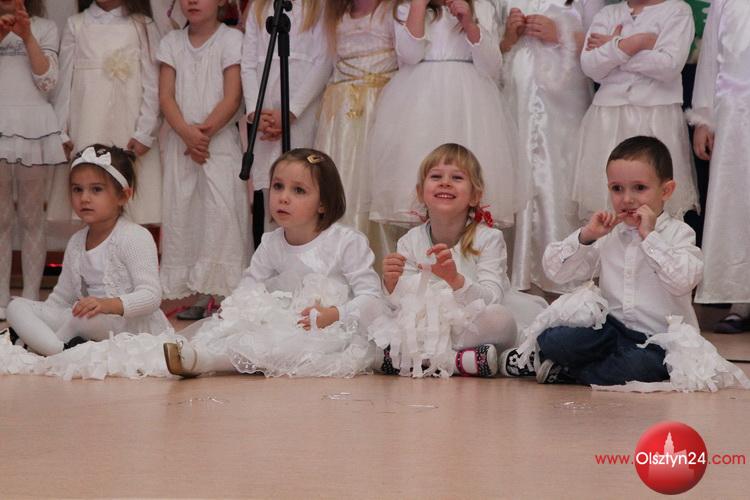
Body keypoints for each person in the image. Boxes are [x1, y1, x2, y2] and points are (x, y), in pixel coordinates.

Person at [163, 149, 384, 378]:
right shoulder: (271, 243)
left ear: (323, 204)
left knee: (283, 346)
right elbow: (249, 287)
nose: (283, 197)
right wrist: (238, 314)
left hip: (331, 329)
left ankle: (206, 361)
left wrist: (335, 314)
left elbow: (371, 297)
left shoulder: (346, 242)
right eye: (278, 186)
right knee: (231, 331)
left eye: (298, 190)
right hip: (284, 321)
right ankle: (198, 352)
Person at [533, 136, 703, 385]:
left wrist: (650, 237)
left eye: (639, 188)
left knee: (640, 366)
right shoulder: (609, 234)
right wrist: (587, 236)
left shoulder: (680, 233)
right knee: (553, 339)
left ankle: (571, 372)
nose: (627, 199)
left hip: (658, 340)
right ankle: (583, 366)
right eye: (617, 189)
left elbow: (683, 281)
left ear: (666, 191)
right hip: (611, 333)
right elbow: (556, 272)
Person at [373, 143, 546, 377]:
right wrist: (392, 284)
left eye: (457, 177)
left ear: (475, 195)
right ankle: (459, 361)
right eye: (436, 176)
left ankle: (417, 359)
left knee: (501, 320)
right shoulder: (410, 241)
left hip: (469, 323)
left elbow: (493, 296)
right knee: (369, 309)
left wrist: (456, 281)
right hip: (426, 326)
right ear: (420, 192)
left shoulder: (489, 239)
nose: (445, 182)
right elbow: (403, 304)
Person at [365, 0, 528, 248]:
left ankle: (467, 254)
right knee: (422, 170)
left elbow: (491, 65)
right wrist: (418, 6)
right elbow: (409, 54)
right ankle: (423, 253)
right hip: (420, 105)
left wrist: (469, 23)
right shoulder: (406, 8)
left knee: (466, 172)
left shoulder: (481, 7)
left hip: (469, 104)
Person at [6, 145, 170, 356]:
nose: (84, 198)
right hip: (85, 321)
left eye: (96, 189)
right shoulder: (76, 242)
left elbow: (151, 296)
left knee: (81, 319)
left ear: (123, 196)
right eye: (77, 189)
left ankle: (45, 348)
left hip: (125, 325)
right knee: (16, 306)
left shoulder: (134, 237)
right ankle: (57, 348)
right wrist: (42, 317)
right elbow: (61, 299)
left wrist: (108, 305)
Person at [499, 0, 605, 292]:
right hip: (517, 99)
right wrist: (509, 37)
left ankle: (566, 271)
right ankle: (518, 272)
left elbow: (601, 47)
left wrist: (560, 34)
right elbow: (494, 50)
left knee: (558, 176)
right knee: (517, 174)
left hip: (564, 102)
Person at [157, 0, 249, 317]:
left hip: (218, 143)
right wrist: (188, 134)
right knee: (186, 214)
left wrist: (203, 135)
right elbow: (166, 97)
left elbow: (233, 97)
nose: (192, 1)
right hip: (182, 144)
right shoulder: (171, 42)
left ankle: (225, 295)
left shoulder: (231, 39)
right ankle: (198, 293)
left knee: (222, 212)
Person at [572, 0, 698, 221]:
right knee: (607, 202)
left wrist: (613, 47)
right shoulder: (607, 14)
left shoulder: (678, 11)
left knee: (656, 200)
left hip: (657, 117)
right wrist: (635, 43)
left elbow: (668, 65)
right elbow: (591, 66)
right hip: (607, 117)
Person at [50, 0, 163, 225]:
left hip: (130, 129)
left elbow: (154, 85)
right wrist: (60, 132)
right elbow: (63, 87)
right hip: (88, 125)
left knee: (132, 205)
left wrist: (145, 132)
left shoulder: (142, 25)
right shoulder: (76, 24)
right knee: (90, 197)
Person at [313, 0, 399, 264]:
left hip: (379, 105)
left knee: (370, 181)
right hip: (340, 113)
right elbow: (326, 64)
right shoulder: (336, 16)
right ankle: (336, 258)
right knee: (342, 176)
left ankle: (377, 258)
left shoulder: (391, 11)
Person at [0, 0, 66, 321]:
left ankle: (30, 300)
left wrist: (26, 36)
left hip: (34, 127)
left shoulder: (45, 27)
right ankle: (1, 299)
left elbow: (48, 82)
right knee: (0, 219)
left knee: (31, 218)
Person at [241, 0, 330, 236]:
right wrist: (256, 113)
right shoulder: (260, 6)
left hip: (302, 118)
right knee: (272, 190)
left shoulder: (319, 6)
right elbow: (248, 64)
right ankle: (274, 251)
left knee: (304, 183)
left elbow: (324, 62)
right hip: (265, 120)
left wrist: (291, 112)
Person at [688, 0, 750, 333]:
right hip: (735, 118)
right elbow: (710, 57)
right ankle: (741, 300)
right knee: (736, 206)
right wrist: (704, 118)